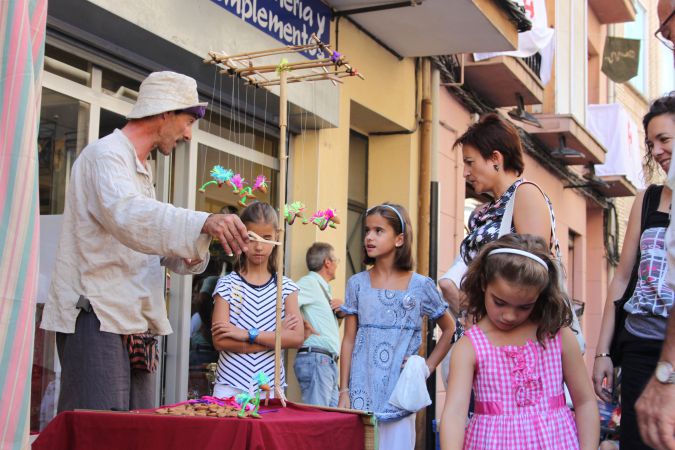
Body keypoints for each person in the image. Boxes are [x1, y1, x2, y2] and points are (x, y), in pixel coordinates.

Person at [40, 71, 250, 412]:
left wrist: (200, 242)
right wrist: (202, 221)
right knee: (100, 432)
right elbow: (129, 217)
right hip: (96, 315)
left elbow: (144, 240)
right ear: (165, 112)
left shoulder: (141, 168)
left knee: (135, 432)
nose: (187, 134)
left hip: (131, 320)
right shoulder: (105, 156)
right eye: (189, 121)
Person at [440, 234, 599, 450]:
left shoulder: (557, 337)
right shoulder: (469, 347)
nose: (510, 316)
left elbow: (586, 402)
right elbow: (455, 414)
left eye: (524, 306)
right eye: (500, 302)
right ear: (484, 284)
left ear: (540, 296)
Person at [592, 93, 675, 450]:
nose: (656, 151)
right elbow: (623, 278)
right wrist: (602, 353)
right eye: (650, 143)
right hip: (641, 346)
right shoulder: (648, 198)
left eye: (664, 140)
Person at [338, 203, 455, 449]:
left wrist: (426, 367)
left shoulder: (421, 286)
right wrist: (343, 391)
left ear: (400, 239)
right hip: (359, 395)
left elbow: (449, 328)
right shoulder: (356, 284)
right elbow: (348, 339)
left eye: (379, 231)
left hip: (400, 395)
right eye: (367, 231)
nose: (369, 237)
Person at [438, 113, 554, 321]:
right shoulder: (488, 209)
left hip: (508, 331)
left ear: (495, 159)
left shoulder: (525, 194)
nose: (465, 172)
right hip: (482, 327)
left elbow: (533, 274)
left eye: (470, 162)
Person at [211, 202, 304, 398]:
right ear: (241, 236)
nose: (259, 246)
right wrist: (276, 338)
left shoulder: (286, 287)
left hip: (270, 388)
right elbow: (219, 340)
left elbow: (296, 338)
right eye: (252, 238)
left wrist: (246, 334)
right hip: (230, 386)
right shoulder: (227, 284)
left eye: (267, 238)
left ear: (277, 237)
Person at [293, 242, 343, 407]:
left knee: (331, 421)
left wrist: (339, 315)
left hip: (325, 361)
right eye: (337, 260)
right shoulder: (309, 283)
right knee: (318, 418)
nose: (337, 265)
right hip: (317, 360)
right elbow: (283, 303)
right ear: (328, 262)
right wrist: (301, 326)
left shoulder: (322, 288)